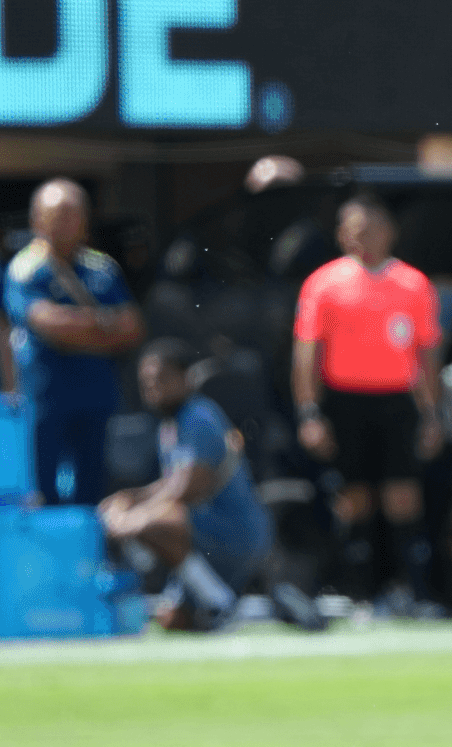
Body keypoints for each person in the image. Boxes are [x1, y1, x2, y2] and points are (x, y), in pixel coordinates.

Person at [292, 193, 443, 610]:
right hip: (345, 402)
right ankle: (359, 593)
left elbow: (426, 356)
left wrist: (432, 415)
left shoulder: (414, 284)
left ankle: (412, 592)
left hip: (397, 401)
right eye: (356, 231)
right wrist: (310, 413)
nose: (364, 239)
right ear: (342, 235)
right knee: (353, 499)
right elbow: (306, 356)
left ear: (390, 232)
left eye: (373, 230)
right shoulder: (323, 283)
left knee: (402, 497)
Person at [98, 339, 273, 630]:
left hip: (234, 533)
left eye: (161, 379)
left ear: (185, 377)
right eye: (146, 383)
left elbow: (190, 488)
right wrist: (129, 498)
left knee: (153, 521)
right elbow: (173, 483)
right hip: (209, 537)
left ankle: (221, 604)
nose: (153, 388)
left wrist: (131, 518)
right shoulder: (172, 424)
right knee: (171, 621)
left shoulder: (197, 417)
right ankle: (235, 606)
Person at [3, 179, 145, 506]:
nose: (65, 223)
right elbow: (48, 324)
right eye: (57, 214)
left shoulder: (102, 267)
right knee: (43, 491)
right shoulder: (25, 270)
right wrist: (103, 328)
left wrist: (77, 331)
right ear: (37, 219)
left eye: (73, 214)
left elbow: (132, 327)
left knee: (92, 489)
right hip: (47, 396)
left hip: (96, 394)